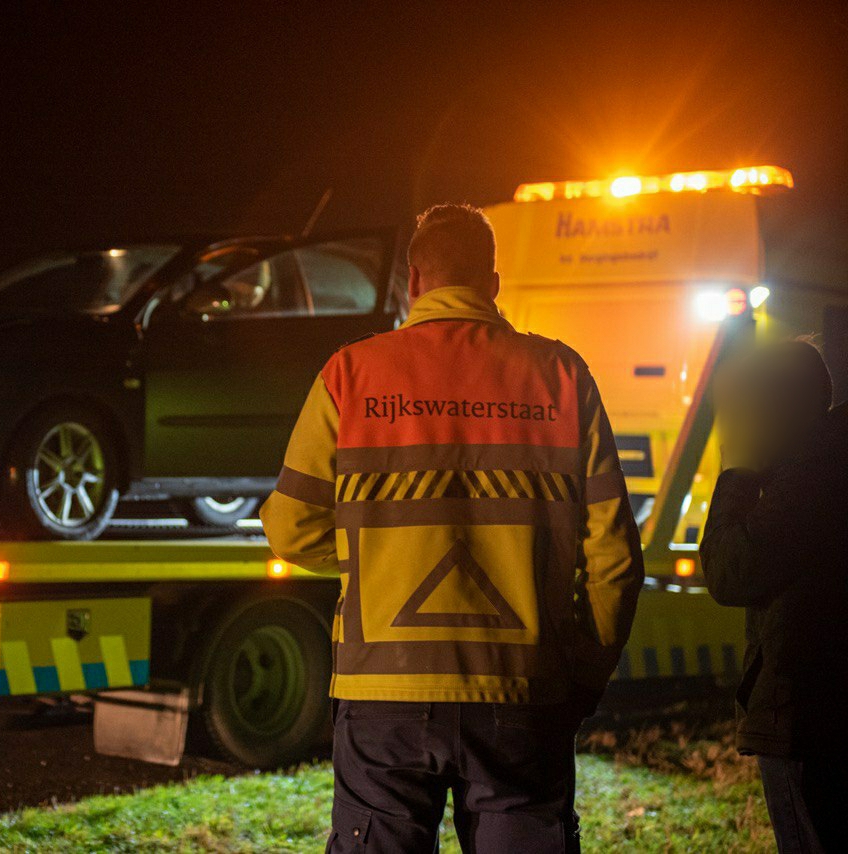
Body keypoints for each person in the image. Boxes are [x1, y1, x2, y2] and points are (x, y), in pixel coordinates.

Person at [261, 204, 644, 852]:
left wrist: (380, 555)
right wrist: (583, 675)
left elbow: (290, 528)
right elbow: (613, 558)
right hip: (521, 690)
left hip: (381, 693)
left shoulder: (349, 377)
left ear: (413, 281)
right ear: (491, 284)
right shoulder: (562, 377)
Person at [701, 339, 848, 854]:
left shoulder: (809, 481)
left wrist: (736, 473)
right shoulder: (829, 461)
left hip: (806, 713)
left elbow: (728, 571)